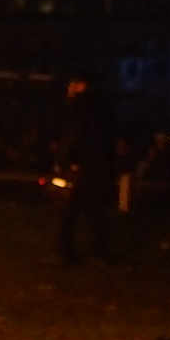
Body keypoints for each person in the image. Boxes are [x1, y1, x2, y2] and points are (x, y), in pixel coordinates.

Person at [53, 72, 116, 262]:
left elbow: (74, 135)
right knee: (95, 210)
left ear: (80, 85)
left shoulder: (79, 106)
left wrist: (69, 160)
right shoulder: (103, 106)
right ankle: (99, 252)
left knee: (66, 211)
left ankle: (65, 253)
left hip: (79, 167)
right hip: (97, 167)